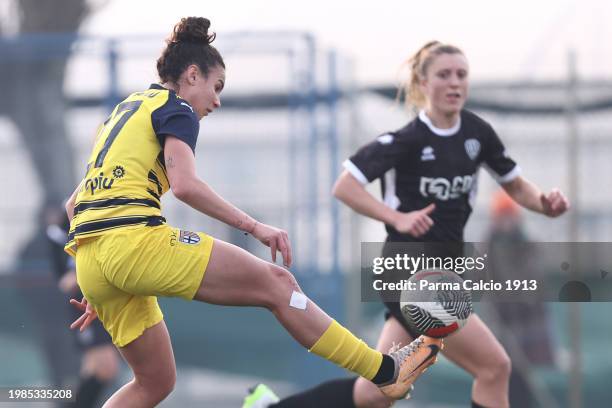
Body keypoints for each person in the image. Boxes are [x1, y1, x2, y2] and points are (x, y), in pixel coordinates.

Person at [64, 17, 442, 408]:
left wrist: (104, 278)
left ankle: (384, 372)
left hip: (91, 262)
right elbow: (185, 185)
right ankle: (386, 372)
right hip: (132, 243)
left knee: (154, 382)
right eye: (216, 86)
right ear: (192, 75)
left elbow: (73, 205)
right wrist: (255, 227)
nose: (217, 100)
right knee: (278, 283)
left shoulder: (122, 112)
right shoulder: (176, 107)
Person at [254, 41, 569, 408]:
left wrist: (544, 204)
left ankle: (270, 407)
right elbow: (345, 186)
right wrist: (396, 217)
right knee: (494, 367)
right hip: (411, 276)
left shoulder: (477, 134)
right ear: (422, 83)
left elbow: (515, 184)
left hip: (442, 273)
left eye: (462, 75)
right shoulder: (407, 140)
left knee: (377, 392)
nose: (455, 83)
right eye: (444, 75)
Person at [46, 207, 120, 407]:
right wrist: (86, 270)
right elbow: (66, 281)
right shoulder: (69, 212)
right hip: (83, 301)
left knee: (95, 368)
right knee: (105, 367)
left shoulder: (107, 205)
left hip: (102, 298)